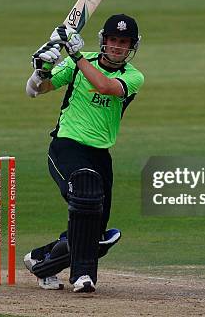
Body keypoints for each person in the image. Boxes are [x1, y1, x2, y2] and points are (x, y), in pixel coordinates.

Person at [23, 14, 144, 293]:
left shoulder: (133, 76)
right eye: (113, 40)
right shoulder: (79, 63)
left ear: (132, 46)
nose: (117, 47)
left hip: (100, 155)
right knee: (86, 196)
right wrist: (40, 71)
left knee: (95, 236)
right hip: (67, 146)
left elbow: (105, 87)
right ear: (104, 40)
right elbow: (34, 91)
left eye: (124, 42)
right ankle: (82, 277)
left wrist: (75, 54)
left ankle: (41, 259)